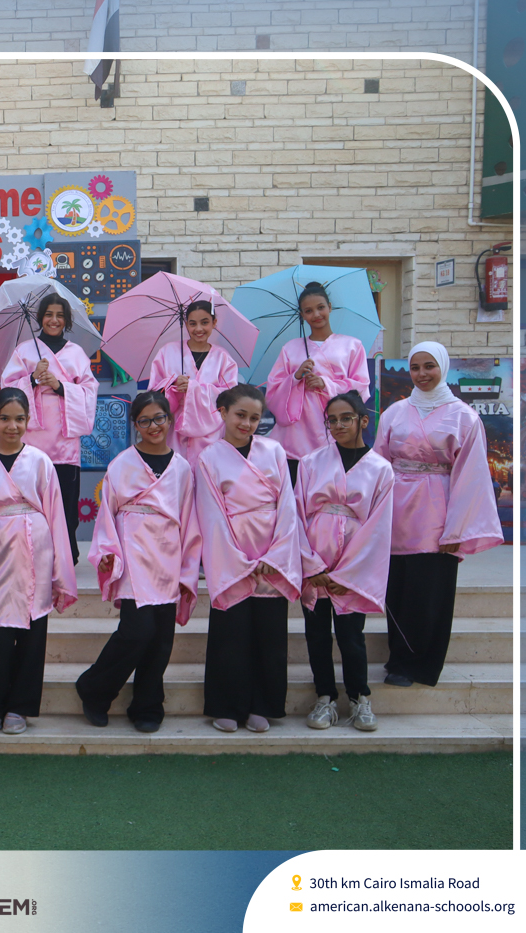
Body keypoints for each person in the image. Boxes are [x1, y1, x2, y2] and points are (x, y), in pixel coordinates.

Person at [374, 342, 503, 687]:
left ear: (442, 367)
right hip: (397, 512)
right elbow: (378, 465)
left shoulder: (464, 417)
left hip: (438, 513)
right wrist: (372, 516)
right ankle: (398, 659)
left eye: (429, 366)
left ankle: (421, 665)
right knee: (398, 590)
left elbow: (471, 476)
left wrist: (456, 530)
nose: (421, 374)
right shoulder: (394, 413)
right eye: (415, 367)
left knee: (428, 592)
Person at [76, 390, 201, 732]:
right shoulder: (122, 463)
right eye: (145, 421)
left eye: (159, 418)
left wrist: (188, 570)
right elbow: (107, 513)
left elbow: (189, 521)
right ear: (135, 425)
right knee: (137, 631)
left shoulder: (182, 468)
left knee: (161, 638)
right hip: (133, 552)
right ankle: (94, 690)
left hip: (168, 554)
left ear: (170, 420)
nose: (153, 426)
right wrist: (108, 553)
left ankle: (147, 706)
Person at [0, 387, 76, 735]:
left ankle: (21, 707)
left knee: (33, 630)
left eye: (20, 419)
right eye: (5, 418)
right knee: (1, 631)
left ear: (29, 420)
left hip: (37, 548)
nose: (12, 426)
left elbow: (57, 517)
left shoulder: (41, 461)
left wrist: (60, 569)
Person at [195, 384, 302, 734]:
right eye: (240, 415)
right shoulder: (209, 457)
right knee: (231, 635)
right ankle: (227, 705)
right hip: (232, 555)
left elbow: (287, 505)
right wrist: (238, 561)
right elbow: (211, 514)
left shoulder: (274, 451)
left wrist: (277, 555)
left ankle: (262, 705)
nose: (247, 423)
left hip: (272, 557)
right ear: (223, 412)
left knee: (269, 636)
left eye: (255, 418)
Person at [296, 391, 394, 730]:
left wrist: (347, 574)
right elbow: (297, 514)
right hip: (315, 562)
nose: (338, 425)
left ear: (363, 420)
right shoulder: (311, 462)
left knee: (351, 636)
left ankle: (359, 697)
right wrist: (312, 566)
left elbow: (378, 526)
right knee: (317, 635)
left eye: (346, 418)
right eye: (332, 420)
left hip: (353, 567)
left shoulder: (380, 469)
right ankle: (324, 696)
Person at [0, 294, 97, 562]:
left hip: (65, 441)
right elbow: (7, 389)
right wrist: (32, 379)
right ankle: (33, 551)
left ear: (67, 320)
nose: (54, 320)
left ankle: (66, 555)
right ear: (40, 317)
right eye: (49, 314)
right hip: (33, 438)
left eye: (60, 315)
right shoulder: (24, 351)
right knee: (33, 498)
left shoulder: (76, 353)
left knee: (66, 500)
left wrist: (59, 386)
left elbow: (89, 390)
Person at [264, 281, 370, 485]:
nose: (316, 314)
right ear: (302, 315)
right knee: (294, 491)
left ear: (330, 307)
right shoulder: (291, 348)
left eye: (321, 307)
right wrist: (295, 378)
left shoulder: (352, 345)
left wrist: (325, 384)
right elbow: (273, 391)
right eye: (309, 311)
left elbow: (361, 387)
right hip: (296, 432)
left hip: (334, 424)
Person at [146, 301, 241, 467]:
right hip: (175, 432)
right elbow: (153, 394)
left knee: (208, 475)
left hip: (211, 434)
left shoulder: (224, 358)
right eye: (192, 323)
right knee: (177, 476)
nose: (198, 329)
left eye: (204, 322)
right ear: (185, 324)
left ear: (214, 323)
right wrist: (172, 385)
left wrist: (193, 389)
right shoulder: (167, 352)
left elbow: (230, 399)